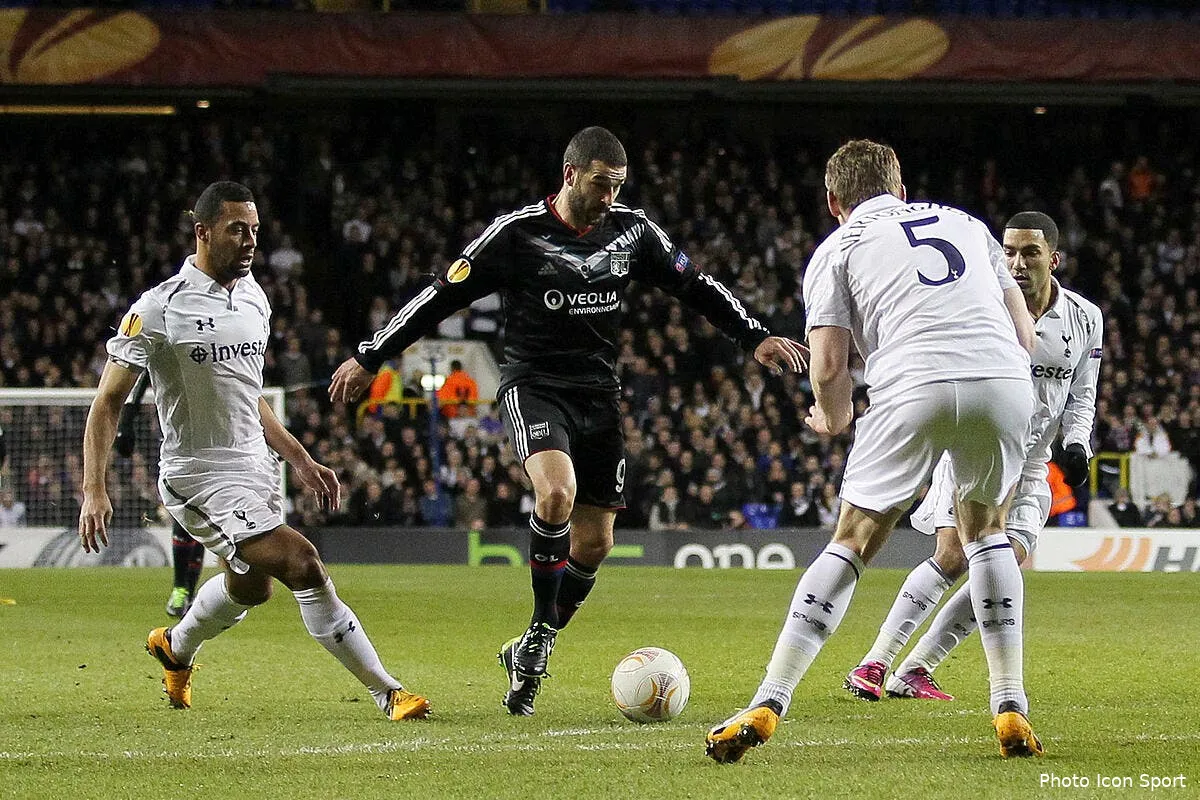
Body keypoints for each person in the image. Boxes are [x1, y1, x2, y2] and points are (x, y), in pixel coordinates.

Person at [329, 126, 806, 717]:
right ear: (570, 173)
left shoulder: (632, 231)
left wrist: (753, 337)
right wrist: (370, 356)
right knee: (556, 492)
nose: (609, 197)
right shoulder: (517, 234)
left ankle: (536, 639)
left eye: (618, 187)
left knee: (597, 542)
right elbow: (439, 296)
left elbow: (696, 286)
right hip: (535, 386)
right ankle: (536, 647)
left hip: (600, 397)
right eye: (601, 185)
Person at [705, 140, 1040, 764]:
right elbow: (1024, 332)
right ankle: (1010, 703)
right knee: (987, 532)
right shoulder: (966, 224)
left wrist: (830, 417)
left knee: (855, 538)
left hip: (912, 382)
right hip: (1003, 379)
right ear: (901, 188)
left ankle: (770, 699)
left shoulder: (837, 249)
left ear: (834, 202)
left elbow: (829, 364)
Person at [79, 181, 429, 721]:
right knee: (301, 562)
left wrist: (300, 458)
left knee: (251, 588)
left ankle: (175, 645)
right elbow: (106, 403)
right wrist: (94, 489)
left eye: (255, 231)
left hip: (253, 466)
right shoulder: (158, 308)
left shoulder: (254, 297)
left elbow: (249, 396)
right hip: (197, 474)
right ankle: (388, 691)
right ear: (203, 232)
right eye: (237, 229)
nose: (250, 242)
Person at [842, 211, 1102, 706]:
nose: (1017, 263)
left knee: (1006, 564)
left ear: (1055, 258)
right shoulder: (983, 307)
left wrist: (1077, 442)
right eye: (1008, 252)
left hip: (1029, 467)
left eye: (1029, 253)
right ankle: (874, 662)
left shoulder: (1086, 318)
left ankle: (915, 668)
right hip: (974, 450)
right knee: (955, 556)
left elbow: (1082, 393)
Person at [114, 369, 208, 616]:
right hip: (176, 443)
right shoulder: (166, 339)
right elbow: (140, 370)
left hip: (213, 439)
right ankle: (180, 588)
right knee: (183, 513)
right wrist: (127, 420)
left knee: (204, 517)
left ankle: (188, 589)